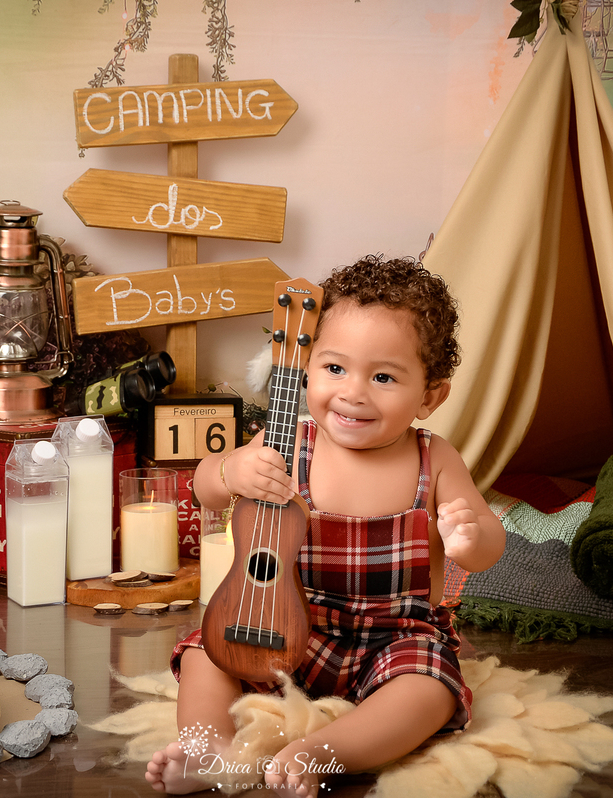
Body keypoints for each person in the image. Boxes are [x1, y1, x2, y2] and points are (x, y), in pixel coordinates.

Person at [146, 255, 506, 796]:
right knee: (205, 654)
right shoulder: (290, 441)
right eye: (335, 368)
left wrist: (469, 536)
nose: (353, 392)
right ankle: (209, 752)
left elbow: (487, 544)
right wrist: (232, 469)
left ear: (430, 396)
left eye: (383, 376)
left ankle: (319, 753)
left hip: (394, 639)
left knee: (429, 687)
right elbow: (204, 486)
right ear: (308, 365)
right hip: (290, 625)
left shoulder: (435, 459)